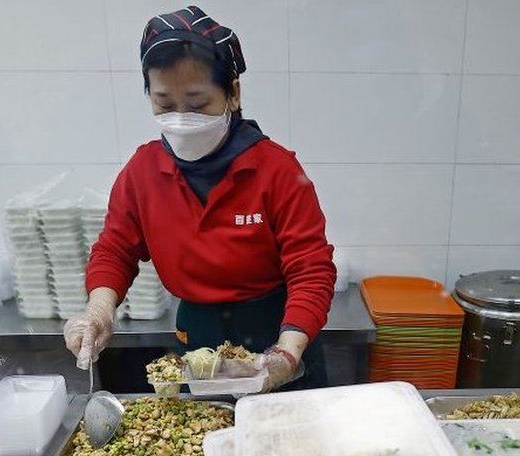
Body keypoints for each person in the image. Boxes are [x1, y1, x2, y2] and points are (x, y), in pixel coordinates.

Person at [63, 6, 336, 391]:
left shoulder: (276, 170)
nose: (181, 118)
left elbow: (311, 269)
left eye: (197, 103)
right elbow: (115, 250)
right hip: (198, 338)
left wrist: (286, 355)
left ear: (233, 93)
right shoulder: (143, 171)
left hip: (279, 333)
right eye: (164, 103)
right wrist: (99, 310)